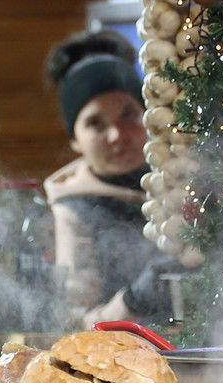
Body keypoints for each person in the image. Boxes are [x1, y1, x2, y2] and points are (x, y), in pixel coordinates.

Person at [42, 30, 177, 327]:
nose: (117, 135)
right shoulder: (74, 210)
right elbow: (75, 324)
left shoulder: (180, 183)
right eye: (95, 123)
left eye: (128, 114)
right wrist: (133, 301)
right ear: (74, 140)